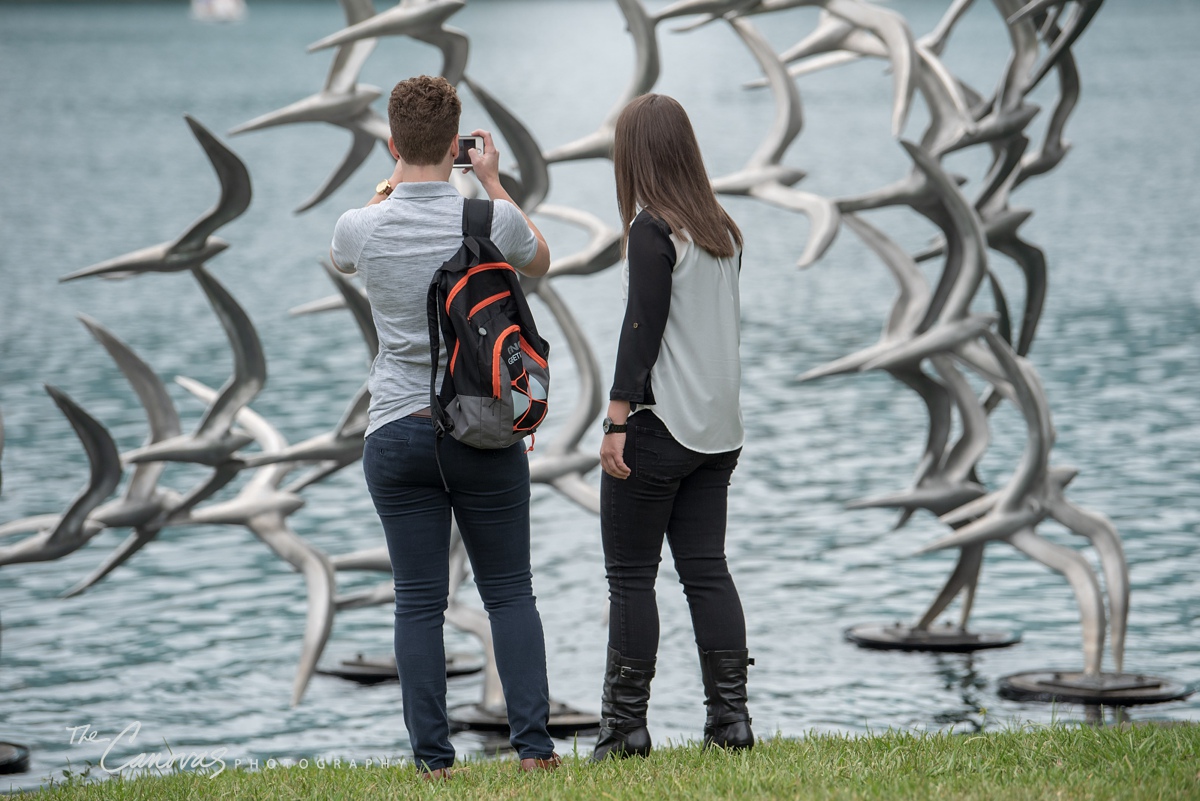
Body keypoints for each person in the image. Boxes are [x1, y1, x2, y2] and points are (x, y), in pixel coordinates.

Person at [329, 75, 560, 778]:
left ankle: (434, 762)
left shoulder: (360, 225)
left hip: (396, 432)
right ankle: (534, 753)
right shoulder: (491, 219)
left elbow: (345, 254)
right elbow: (541, 260)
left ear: (393, 143)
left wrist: (386, 187)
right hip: (483, 425)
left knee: (418, 601)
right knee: (510, 591)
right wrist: (492, 182)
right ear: (458, 143)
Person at [594, 93, 754, 760]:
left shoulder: (652, 230)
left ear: (636, 155)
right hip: (718, 433)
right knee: (707, 571)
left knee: (632, 577)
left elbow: (644, 326)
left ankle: (625, 729)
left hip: (660, 428)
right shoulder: (721, 228)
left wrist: (615, 417)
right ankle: (731, 722)